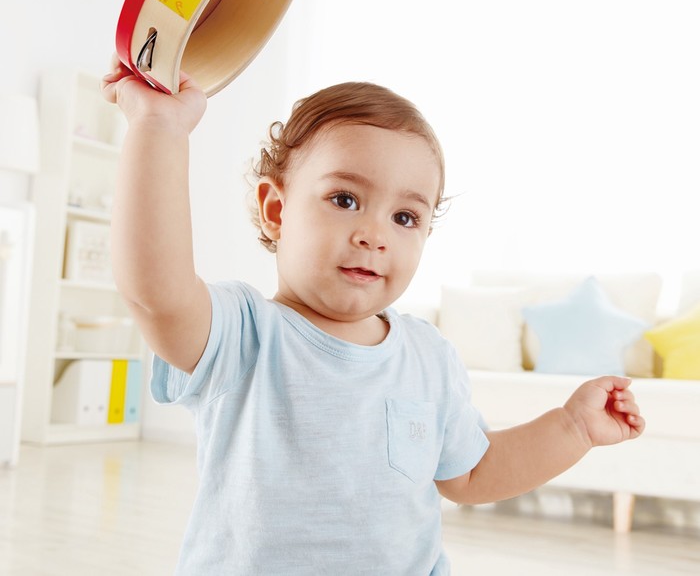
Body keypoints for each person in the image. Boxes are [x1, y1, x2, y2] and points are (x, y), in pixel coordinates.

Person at [101, 59, 645, 576]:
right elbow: (158, 292)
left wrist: (572, 428)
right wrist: (158, 127)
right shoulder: (243, 335)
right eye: (344, 199)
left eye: (405, 216)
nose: (374, 235)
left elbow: (473, 473)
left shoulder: (429, 356)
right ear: (276, 210)